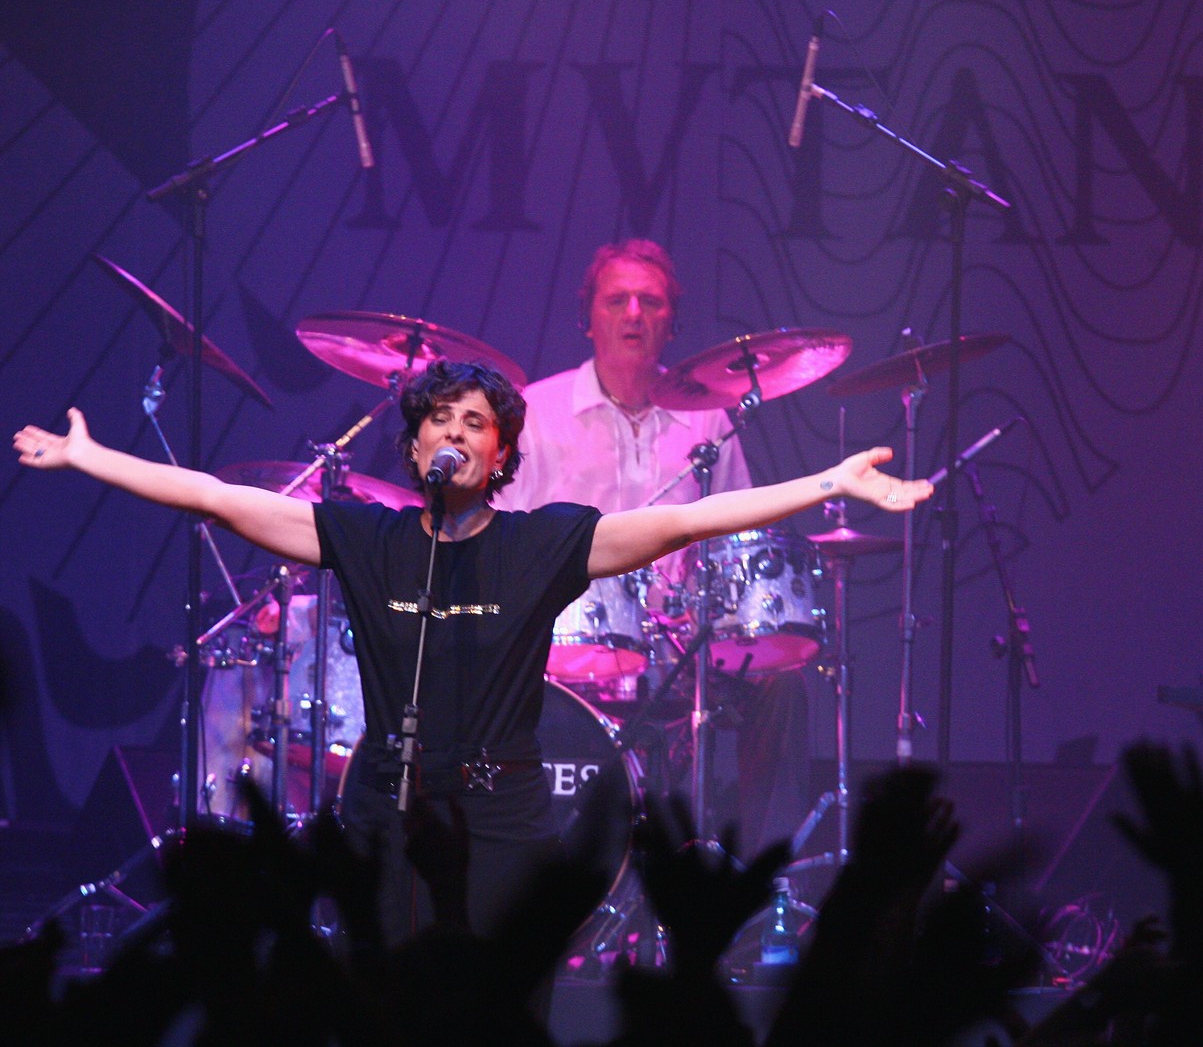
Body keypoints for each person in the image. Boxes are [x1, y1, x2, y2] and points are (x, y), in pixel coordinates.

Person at [12, 360, 930, 944]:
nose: (454, 432)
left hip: (499, 812)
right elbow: (217, 497)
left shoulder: (541, 544)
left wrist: (828, 480)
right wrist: (92, 458)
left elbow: (689, 520)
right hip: (384, 803)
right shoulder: (365, 538)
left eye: (476, 423)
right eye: (439, 420)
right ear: (415, 447)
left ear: (500, 457)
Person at [496, 239, 805, 852]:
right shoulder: (536, 412)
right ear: (588, 319)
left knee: (784, 681)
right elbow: (497, 538)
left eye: (651, 302)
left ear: (671, 323)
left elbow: (736, 536)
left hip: (678, 644)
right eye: (617, 301)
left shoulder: (708, 417)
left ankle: (750, 864)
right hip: (564, 643)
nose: (634, 314)